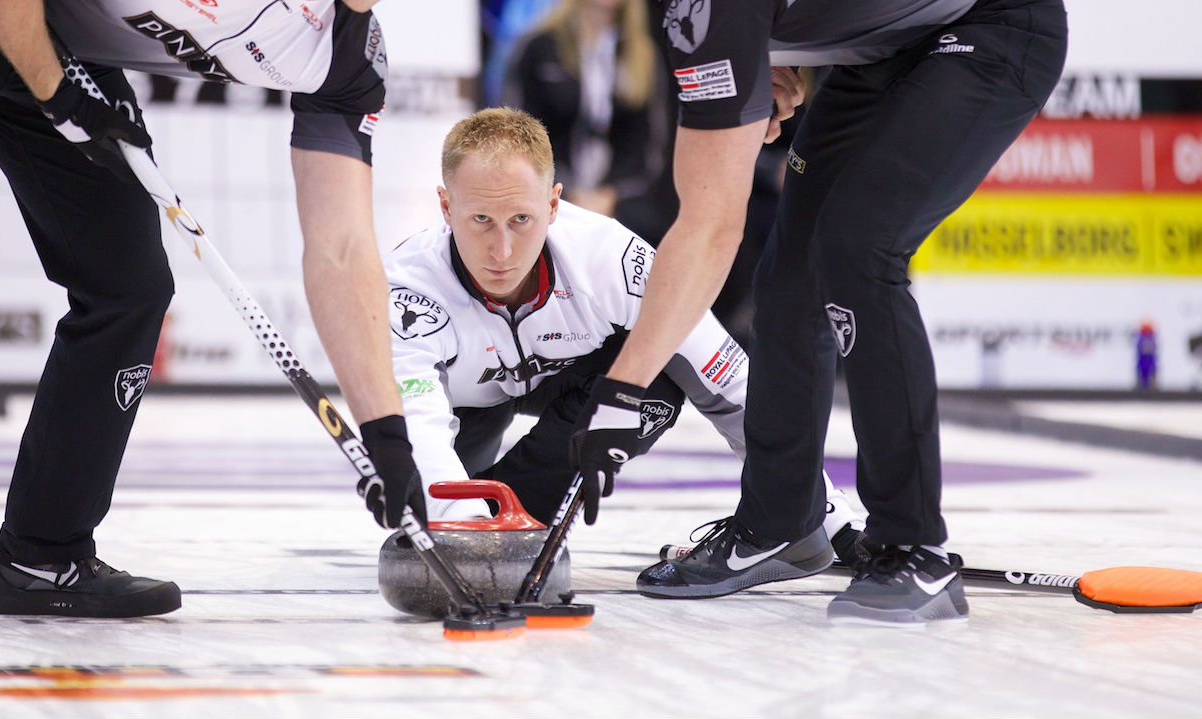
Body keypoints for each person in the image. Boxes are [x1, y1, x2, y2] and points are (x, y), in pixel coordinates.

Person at [0, 0, 424, 617]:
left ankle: (40, 557)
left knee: (126, 285)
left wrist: (386, 434)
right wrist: (58, 94)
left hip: (48, 40)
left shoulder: (346, 57)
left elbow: (342, 249)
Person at [571, 0, 1068, 624]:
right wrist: (769, 56)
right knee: (790, 276)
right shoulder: (687, 11)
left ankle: (914, 546)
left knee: (858, 250)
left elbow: (708, 227)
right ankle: (780, 520)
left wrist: (623, 386)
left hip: (988, 26)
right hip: (883, 51)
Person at [383, 108, 863, 588]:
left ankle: (514, 510)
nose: (502, 251)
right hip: (464, 406)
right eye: (481, 219)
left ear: (553, 206)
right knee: (429, 500)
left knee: (651, 378)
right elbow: (417, 422)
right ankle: (481, 512)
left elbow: (729, 381)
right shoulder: (409, 288)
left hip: (575, 386)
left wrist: (817, 510)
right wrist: (459, 522)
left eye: (522, 219)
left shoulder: (610, 257)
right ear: (446, 208)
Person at [502, 0, 666, 245]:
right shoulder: (539, 47)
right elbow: (520, 131)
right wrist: (566, 191)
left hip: (621, 201)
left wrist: (610, 195)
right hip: (550, 191)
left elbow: (647, 142)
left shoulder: (642, 55)